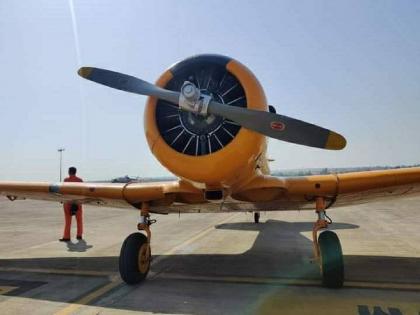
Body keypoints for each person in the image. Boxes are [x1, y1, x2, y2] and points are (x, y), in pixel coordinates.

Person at [59, 167, 84, 242]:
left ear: (69, 172)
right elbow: (83, 191)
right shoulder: (80, 180)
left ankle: (67, 236)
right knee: (79, 220)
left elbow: (63, 191)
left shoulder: (66, 180)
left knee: (68, 221)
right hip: (78, 202)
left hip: (68, 202)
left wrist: (61, 199)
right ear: (75, 172)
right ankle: (79, 235)